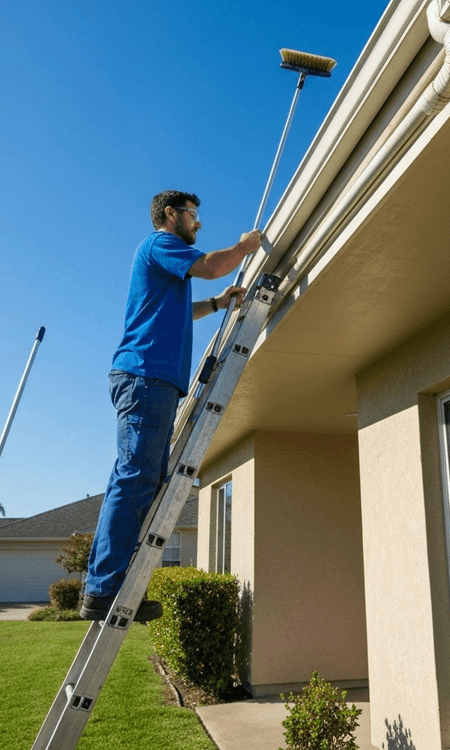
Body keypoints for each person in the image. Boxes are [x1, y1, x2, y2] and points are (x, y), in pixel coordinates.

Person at [80, 189, 261, 621]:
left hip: (153, 379)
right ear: (170, 215)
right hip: (145, 375)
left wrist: (217, 305)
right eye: (193, 214)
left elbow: (182, 309)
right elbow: (212, 266)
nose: (197, 223)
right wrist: (244, 247)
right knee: (135, 477)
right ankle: (102, 589)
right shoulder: (162, 244)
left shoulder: (166, 265)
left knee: (145, 480)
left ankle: (116, 585)